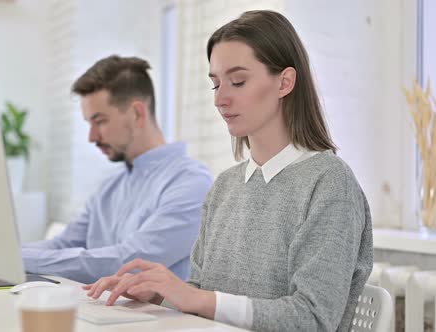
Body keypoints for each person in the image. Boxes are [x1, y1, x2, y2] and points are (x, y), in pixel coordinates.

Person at [84, 10, 373, 331]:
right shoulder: (224, 187)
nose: (220, 99)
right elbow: (208, 300)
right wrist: (161, 294)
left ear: (285, 82)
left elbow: (313, 319)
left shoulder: (330, 184)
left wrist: (195, 298)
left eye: (238, 81)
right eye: (215, 84)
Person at [21, 55, 213, 284]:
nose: (92, 137)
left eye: (99, 121)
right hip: (103, 312)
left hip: (156, 319)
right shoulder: (110, 186)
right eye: (89, 123)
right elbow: (64, 244)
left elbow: (127, 262)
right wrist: (1, 256)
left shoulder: (191, 183)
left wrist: (18, 259)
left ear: (137, 114)